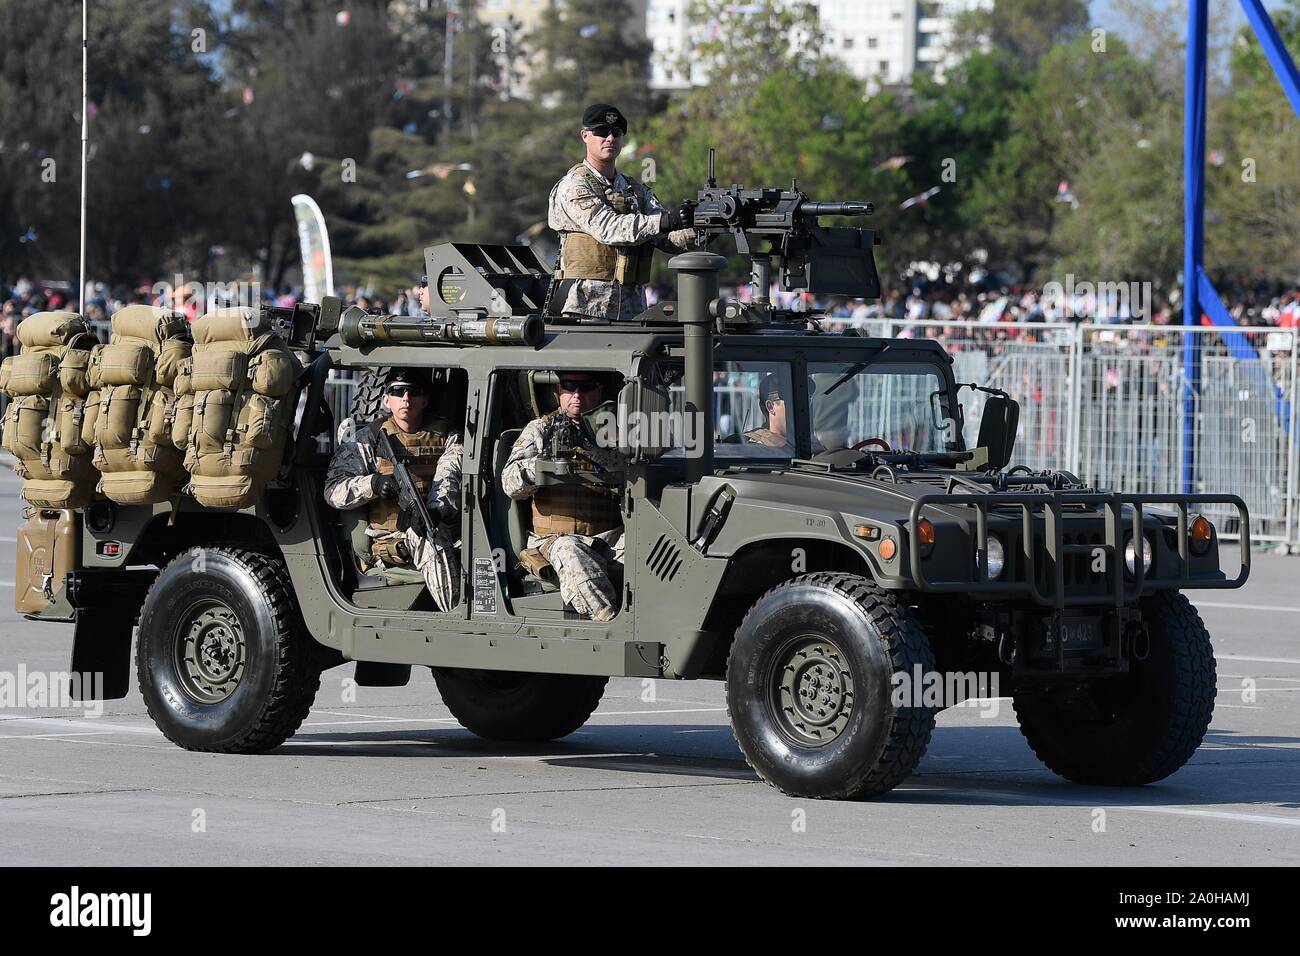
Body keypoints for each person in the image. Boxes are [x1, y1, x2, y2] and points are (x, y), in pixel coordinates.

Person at [324, 368, 461, 611]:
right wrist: (373, 484)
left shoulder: (445, 437)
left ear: (425, 400)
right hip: (391, 538)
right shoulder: (368, 440)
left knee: (434, 534)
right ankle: (455, 617)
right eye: (398, 392)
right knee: (431, 540)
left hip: (434, 522)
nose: (406, 398)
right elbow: (333, 491)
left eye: (413, 392)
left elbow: (448, 477)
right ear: (386, 400)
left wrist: (434, 511)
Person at [547, 103, 696, 323]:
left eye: (616, 133)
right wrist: (666, 221)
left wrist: (703, 227)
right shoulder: (574, 185)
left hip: (632, 309)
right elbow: (608, 227)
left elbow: (668, 240)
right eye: (601, 132)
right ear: (585, 136)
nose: (610, 138)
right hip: (586, 309)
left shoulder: (635, 189)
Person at [501, 370, 626, 621]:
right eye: (569, 387)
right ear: (558, 392)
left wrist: (592, 445)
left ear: (599, 392)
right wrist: (542, 464)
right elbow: (510, 483)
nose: (577, 396)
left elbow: (631, 474)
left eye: (587, 388)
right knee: (569, 550)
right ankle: (607, 622)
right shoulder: (540, 430)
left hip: (609, 540)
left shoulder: (613, 430)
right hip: (554, 540)